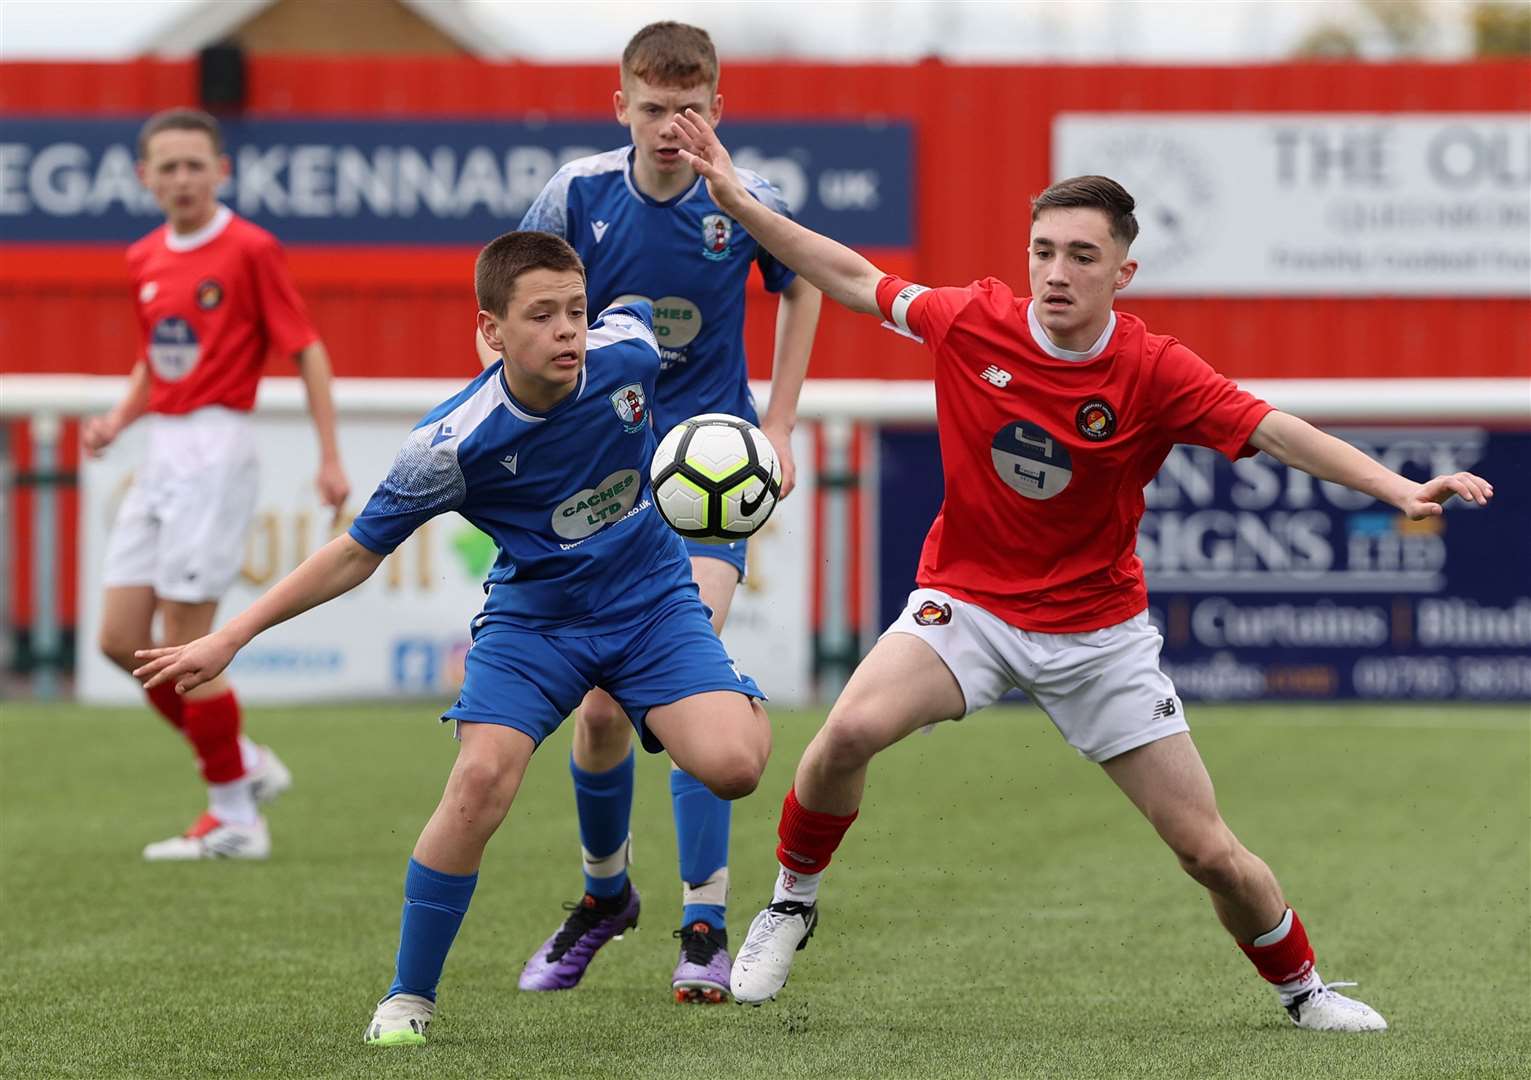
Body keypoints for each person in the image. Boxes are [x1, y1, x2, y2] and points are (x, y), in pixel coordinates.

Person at [668, 108, 1495, 1031]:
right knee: (845, 734)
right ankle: (790, 901)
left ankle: (1304, 991)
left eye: (1081, 256)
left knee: (1206, 851)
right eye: (1042, 250)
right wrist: (738, 202)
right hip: (967, 607)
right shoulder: (973, 320)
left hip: (1097, 635)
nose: (1056, 272)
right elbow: (853, 277)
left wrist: (1397, 487)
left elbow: (1275, 430)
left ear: (1122, 272)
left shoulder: (1154, 371)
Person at [133, 231, 773, 1047]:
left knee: (734, 767)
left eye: (575, 311)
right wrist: (232, 635)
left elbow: (641, 311)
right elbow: (353, 554)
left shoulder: (628, 351)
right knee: (478, 781)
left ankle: (724, 695)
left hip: (651, 604)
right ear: (491, 330)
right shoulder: (451, 446)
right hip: (536, 624)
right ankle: (408, 998)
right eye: (541, 316)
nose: (568, 331)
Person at [481, 21, 821, 1004]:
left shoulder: (747, 198)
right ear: (618, 106)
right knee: (597, 711)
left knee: (685, 690)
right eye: (652, 108)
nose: (672, 126)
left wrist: (781, 424)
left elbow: (802, 292)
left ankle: (706, 924)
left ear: (717, 108)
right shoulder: (575, 193)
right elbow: (517, 307)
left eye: (691, 108)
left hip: (709, 467)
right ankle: (602, 897)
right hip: (605, 472)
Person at [84, 108, 350, 861]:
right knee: (118, 641)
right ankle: (244, 765)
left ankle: (235, 816)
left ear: (221, 170)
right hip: (161, 448)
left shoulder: (248, 248)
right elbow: (155, 360)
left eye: (194, 164)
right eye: (165, 166)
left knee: (186, 640)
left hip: (217, 444)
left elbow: (307, 350)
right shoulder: (143, 257)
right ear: (144, 177)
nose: (181, 178)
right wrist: (116, 419)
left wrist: (329, 456)